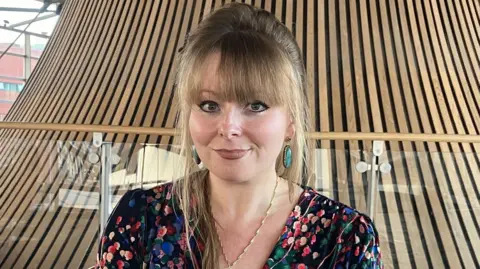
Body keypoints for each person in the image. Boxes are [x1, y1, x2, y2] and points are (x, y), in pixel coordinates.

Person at [96, 3, 382, 269]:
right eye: (210, 105)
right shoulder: (140, 219)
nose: (229, 127)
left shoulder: (344, 239)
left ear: (290, 122)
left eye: (256, 106)